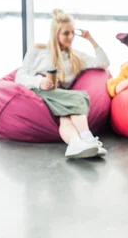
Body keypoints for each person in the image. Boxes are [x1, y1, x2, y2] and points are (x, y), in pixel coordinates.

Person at [15, 9, 110, 159]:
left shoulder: (76, 57)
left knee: (66, 119)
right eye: (66, 33)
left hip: (60, 96)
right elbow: (20, 76)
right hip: (39, 92)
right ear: (56, 34)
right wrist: (40, 82)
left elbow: (104, 63)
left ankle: (75, 144)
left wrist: (90, 39)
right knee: (80, 97)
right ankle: (88, 138)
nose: (70, 37)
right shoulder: (38, 50)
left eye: (72, 32)